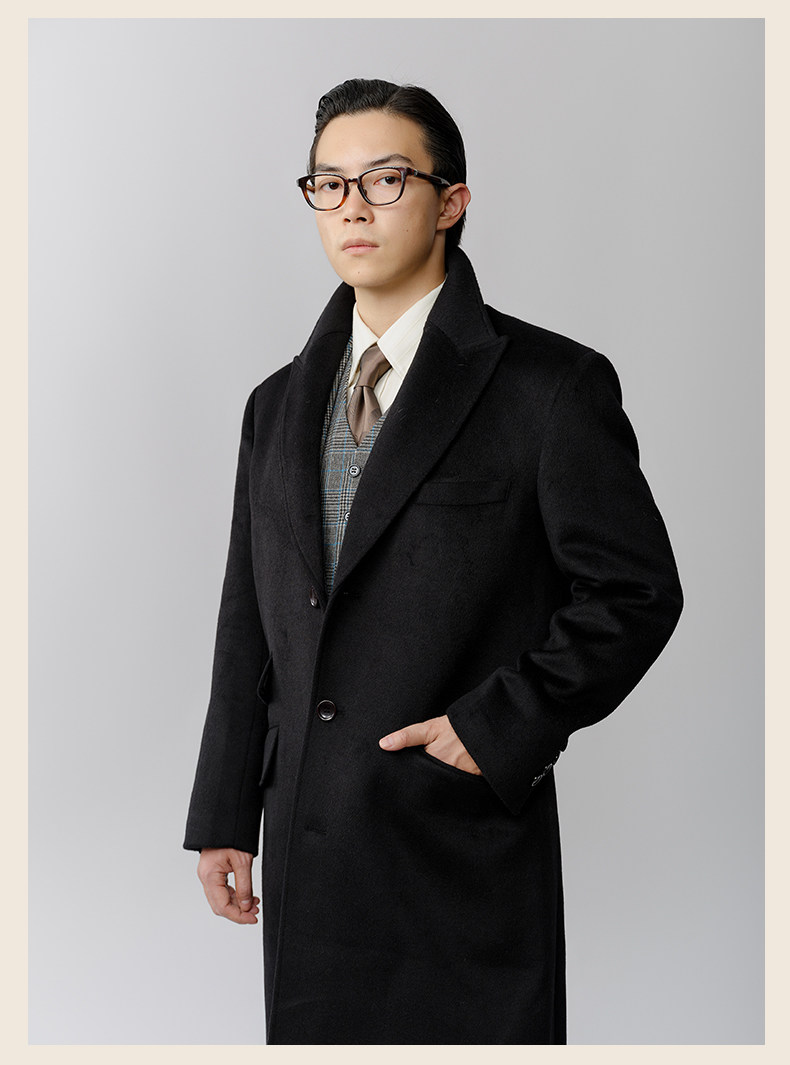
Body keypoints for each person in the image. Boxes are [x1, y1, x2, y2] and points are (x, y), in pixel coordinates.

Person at [184, 78, 683, 1045]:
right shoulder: (274, 404)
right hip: (309, 849)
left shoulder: (549, 386)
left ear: (451, 201)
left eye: (386, 179)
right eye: (329, 184)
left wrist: (496, 727)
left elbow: (636, 591)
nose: (353, 207)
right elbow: (248, 617)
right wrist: (223, 811)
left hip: (457, 846)